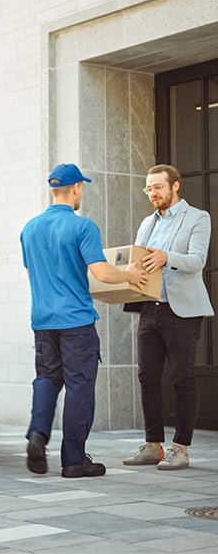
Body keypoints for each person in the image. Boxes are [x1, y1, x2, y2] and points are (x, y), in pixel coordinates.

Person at [21, 163, 146, 478]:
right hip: (75, 321)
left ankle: (37, 435)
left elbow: (39, 271)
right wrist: (129, 274)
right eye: (82, 188)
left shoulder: (30, 228)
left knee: (47, 379)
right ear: (76, 188)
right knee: (79, 386)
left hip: (43, 320)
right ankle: (74, 459)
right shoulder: (82, 226)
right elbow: (102, 272)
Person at [122, 164, 214, 471]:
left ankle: (181, 448)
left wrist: (166, 257)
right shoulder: (147, 223)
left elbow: (197, 261)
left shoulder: (198, 217)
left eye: (157, 187)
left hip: (182, 310)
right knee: (147, 377)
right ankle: (153, 445)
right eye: (148, 189)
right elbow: (138, 260)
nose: (152, 194)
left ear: (175, 186)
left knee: (182, 376)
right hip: (150, 308)